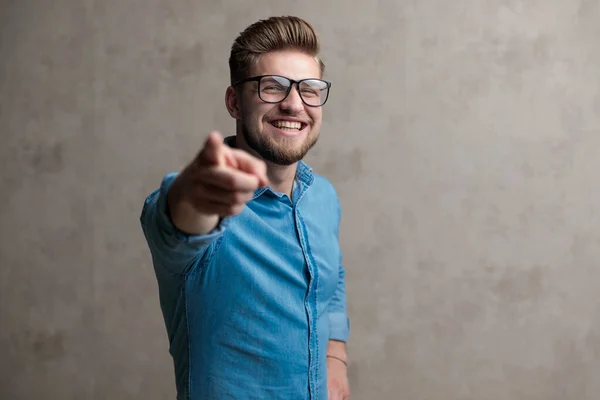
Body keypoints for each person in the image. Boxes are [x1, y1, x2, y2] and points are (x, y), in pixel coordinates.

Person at [140, 15, 350, 400]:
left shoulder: (324, 197)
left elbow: (332, 280)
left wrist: (335, 355)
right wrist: (196, 190)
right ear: (235, 102)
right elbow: (179, 220)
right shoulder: (208, 205)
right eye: (272, 87)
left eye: (309, 89)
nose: (294, 104)